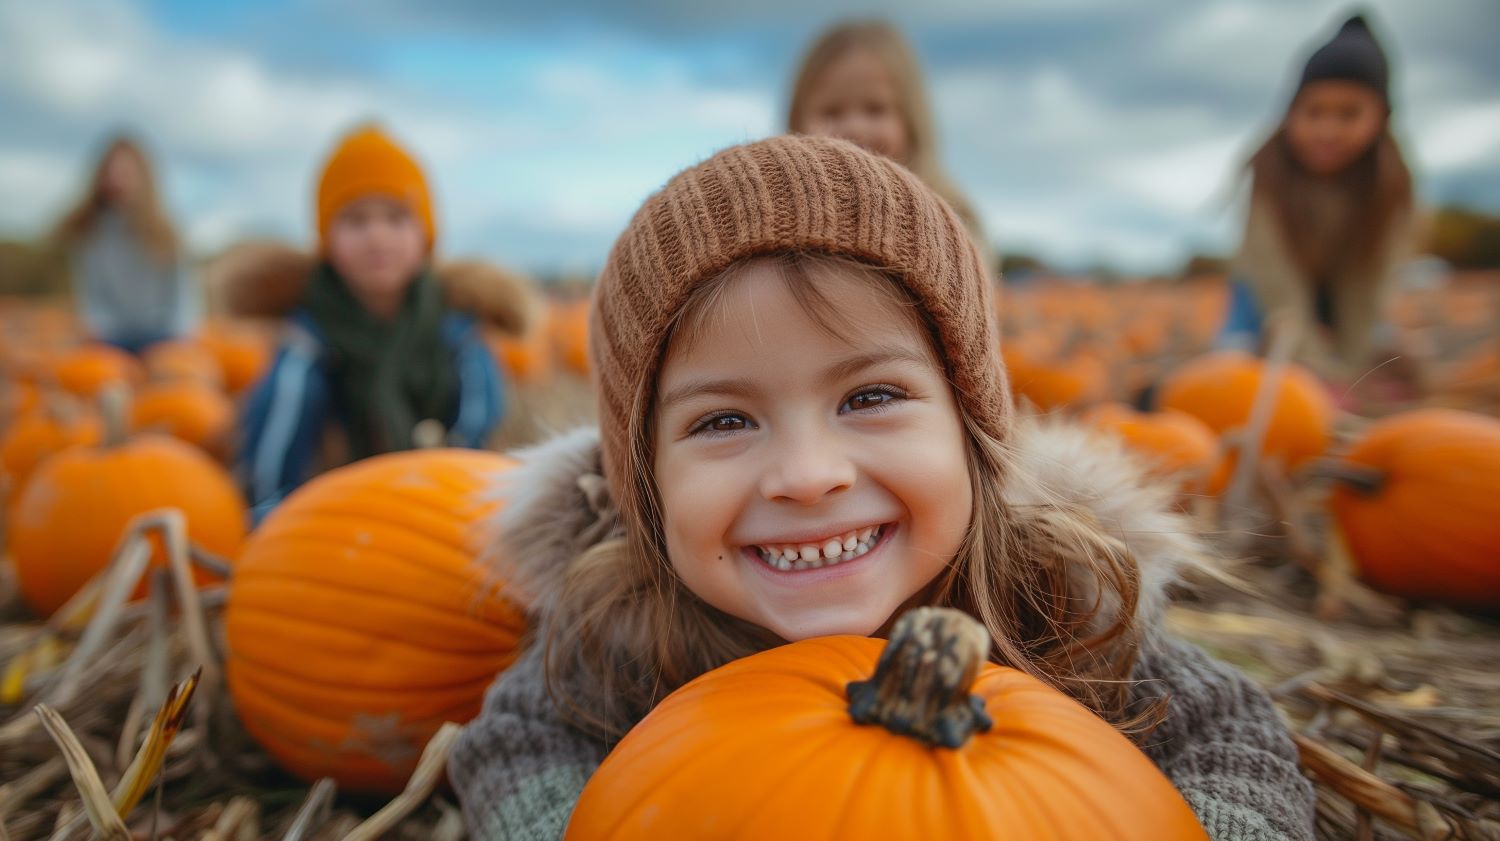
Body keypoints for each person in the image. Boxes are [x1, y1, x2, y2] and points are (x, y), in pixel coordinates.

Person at [449, 136, 1315, 841]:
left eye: (870, 398)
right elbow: (512, 743)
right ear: (643, 484)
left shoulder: (1056, 601)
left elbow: (1235, 732)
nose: (809, 475)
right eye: (722, 421)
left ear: (972, 432)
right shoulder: (625, 627)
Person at [232, 124, 534, 524]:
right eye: (356, 221)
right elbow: (277, 432)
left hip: (439, 499)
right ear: (327, 238)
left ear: (424, 234)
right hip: (337, 503)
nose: (377, 236)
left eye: (395, 218)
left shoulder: (455, 329)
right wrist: (269, 516)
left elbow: (480, 423)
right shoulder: (308, 339)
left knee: (480, 367)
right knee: (293, 381)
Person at [1220, 13, 1418, 391]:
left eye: (1349, 114)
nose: (1327, 130)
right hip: (1266, 292)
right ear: (1291, 113)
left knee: (1377, 346)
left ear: (1382, 119)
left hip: (1342, 295)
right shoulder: (1269, 177)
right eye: (1314, 112)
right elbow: (1277, 284)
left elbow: (1367, 285)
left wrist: (1349, 373)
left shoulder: (1388, 187)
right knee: (1234, 362)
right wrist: (1314, 368)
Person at [787, 20, 992, 268]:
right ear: (797, 120)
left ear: (911, 120)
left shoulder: (952, 219)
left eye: (875, 109)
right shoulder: (786, 213)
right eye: (832, 112)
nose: (854, 128)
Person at [51, 134, 200, 352]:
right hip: (113, 335)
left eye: (125, 173)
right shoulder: (90, 231)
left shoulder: (167, 230)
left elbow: (181, 293)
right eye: (111, 173)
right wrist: (98, 329)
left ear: (143, 178)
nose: (117, 181)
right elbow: (92, 292)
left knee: (177, 374)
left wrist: (181, 335)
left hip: (163, 333)